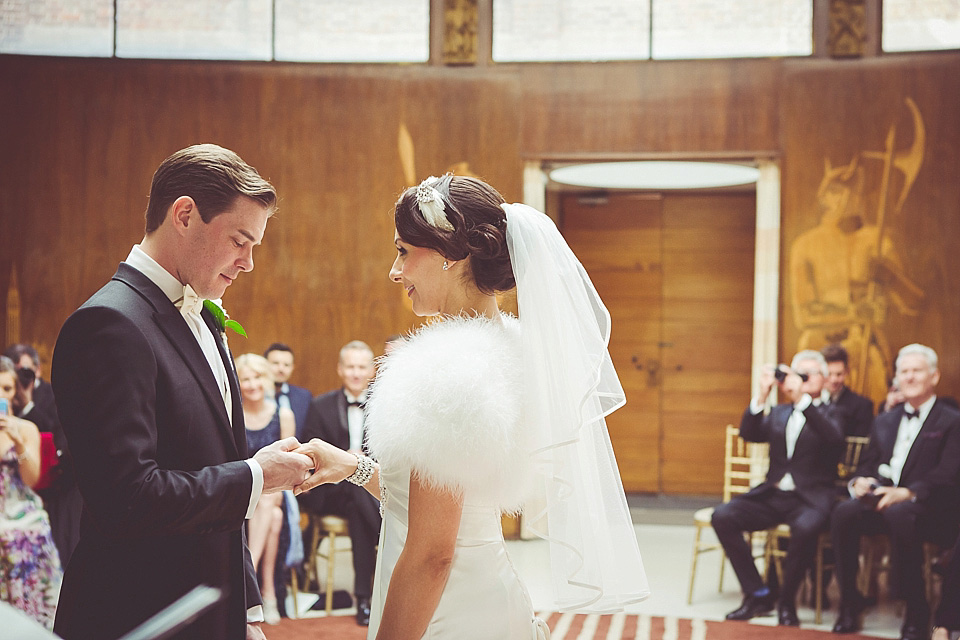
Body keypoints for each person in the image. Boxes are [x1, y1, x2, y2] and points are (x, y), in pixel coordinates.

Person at [294, 175, 649, 639]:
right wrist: (353, 468)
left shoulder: (445, 369)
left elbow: (432, 553)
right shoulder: (515, 349)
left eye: (403, 251)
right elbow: (448, 504)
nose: (394, 271)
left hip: (444, 614)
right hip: (486, 597)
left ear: (448, 255)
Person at [50, 144, 313, 640]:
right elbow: (126, 498)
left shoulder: (202, 315)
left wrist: (248, 609)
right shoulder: (109, 325)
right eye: (240, 240)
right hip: (140, 614)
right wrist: (256, 476)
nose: (249, 262)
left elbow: (212, 472)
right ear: (185, 214)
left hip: (210, 612)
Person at [831, 344, 960, 640]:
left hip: (929, 508)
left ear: (934, 376)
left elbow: (949, 474)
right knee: (843, 512)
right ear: (897, 379)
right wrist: (860, 482)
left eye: (917, 370)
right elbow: (869, 465)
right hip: (883, 502)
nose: (910, 377)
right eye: (904, 372)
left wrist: (908, 492)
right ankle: (850, 603)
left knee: (902, 515)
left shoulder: (951, 420)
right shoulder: (884, 420)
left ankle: (917, 612)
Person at [712, 350, 844, 627]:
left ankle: (786, 601)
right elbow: (749, 433)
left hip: (811, 499)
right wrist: (761, 396)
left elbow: (835, 442)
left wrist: (803, 401)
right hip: (773, 495)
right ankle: (758, 593)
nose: (803, 380)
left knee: (807, 528)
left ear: (822, 379)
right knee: (723, 516)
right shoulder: (780, 412)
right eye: (799, 374)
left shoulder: (833, 412)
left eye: (809, 375)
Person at [297, 340, 381, 626]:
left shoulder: (387, 405)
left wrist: (362, 465)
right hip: (331, 490)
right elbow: (310, 451)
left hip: (370, 490)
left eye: (361, 367)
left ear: (371, 369)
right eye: (350, 367)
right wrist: (344, 461)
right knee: (358, 494)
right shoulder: (320, 406)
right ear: (340, 369)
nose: (356, 373)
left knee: (360, 502)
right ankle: (390, 538)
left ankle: (364, 599)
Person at [4, 343, 82, 569]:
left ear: (38, 370)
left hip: (54, 489)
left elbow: (56, 437)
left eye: (25, 371)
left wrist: (27, 404)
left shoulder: (52, 395)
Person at [0, 356, 62, 630]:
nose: (1, 395)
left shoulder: (26, 429)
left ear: (15, 391)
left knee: (29, 531)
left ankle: (31, 616)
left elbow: (32, 479)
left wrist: (17, 441)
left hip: (21, 508)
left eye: (6, 388)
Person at [237, 353, 296, 625]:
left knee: (270, 500)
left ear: (267, 378)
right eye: (245, 378)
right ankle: (266, 592)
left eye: (257, 377)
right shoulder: (233, 415)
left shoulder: (283, 414)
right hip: (243, 492)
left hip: (278, 490)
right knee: (273, 519)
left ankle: (247, 576)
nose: (252, 384)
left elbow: (292, 466)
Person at [821, 343, 874, 437]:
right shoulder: (813, 402)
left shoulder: (862, 406)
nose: (834, 380)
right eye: (829, 374)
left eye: (839, 374)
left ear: (846, 372)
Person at [264, 343, 312, 441]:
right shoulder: (254, 395)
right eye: (275, 363)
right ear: (264, 364)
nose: (281, 369)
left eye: (286, 365)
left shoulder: (304, 397)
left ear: (292, 368)